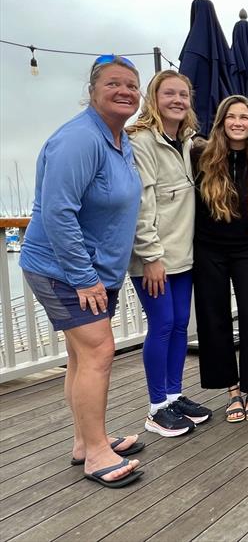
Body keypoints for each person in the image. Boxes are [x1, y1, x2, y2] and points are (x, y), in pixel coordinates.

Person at [19, 55, 144, 487]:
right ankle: (95, 453)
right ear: (92, 90)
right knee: (99, 352)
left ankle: (85, 440)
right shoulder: (79, 140)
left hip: (95, 270)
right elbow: (56, 212)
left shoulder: (118, 139)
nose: (125, 91)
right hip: (63, 267)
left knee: (81, 355)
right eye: (113, 84)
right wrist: (84, 276)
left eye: (131, 85)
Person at [127, 70, 212, 437]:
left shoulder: (188, 140)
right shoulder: (142, 141)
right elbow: (141, 202)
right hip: (153, 257)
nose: (178, 100)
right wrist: (150, 256)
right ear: (154, 98)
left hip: (182, 253)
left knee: (180, 326)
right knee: (161, 325)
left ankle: (174, 396)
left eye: (184, 94)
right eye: (169, 94)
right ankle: (156, 407)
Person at [192, 95, 248, 423]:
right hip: (208, 247)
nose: (238, 122)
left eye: (244, 117)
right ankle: (232, 389)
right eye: (231, 117)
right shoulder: (201, 155)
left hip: (247, 247)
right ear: (221, 122)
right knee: (215, 319)